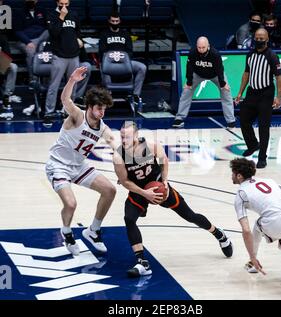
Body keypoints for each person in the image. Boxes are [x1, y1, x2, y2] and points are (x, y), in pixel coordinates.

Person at [113, 120, 233, 277]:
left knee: (190, 216)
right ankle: (142, 262)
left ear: (136, 135)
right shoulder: (118, 156)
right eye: (122, 137)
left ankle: (219, 234)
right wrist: (145, 193)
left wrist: (165, 180)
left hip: (159, 188)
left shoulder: (150, 145)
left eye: (127, 137)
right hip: (139, 191)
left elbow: (164, 161)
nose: (124, 140)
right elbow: (125, 182)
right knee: (129, 219)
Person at [45, 66, 117, 255]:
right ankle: (67, 232)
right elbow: (65, 100)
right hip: (58, 165)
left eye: (104, 109)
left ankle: (93, 230)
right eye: (99, 108)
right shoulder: (77, 116)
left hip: (78, 166)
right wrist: (72, 80)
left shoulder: (102, 128)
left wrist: (133, 157)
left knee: (110, 190)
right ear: (91, 107)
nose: (102, 112)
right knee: (71, 204)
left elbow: (114, 144)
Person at [230, 158, 281, 295]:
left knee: (257, 225)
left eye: (232, 173)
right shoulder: (268, 181)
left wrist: (252, 255)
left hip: (274, 222)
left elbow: (246, 230)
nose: (231, 176)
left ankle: (253, 262)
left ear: (239, 175)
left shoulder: (240, 194)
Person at [235, 28, 281, 169]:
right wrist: (240, 93)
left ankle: (262, 157)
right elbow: (246, 73)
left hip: (266, 94)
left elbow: (279, 76)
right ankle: (253, 145)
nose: (259, 40)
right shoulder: (250, 54)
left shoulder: (272, 56)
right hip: (251, 93)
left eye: (262, 38)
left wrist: (278, 97)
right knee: (244, 120)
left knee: (263, 127)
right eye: (257, 37)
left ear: (267, 39)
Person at [172, 36, 236, 129]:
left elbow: (220, 69)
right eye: (199, 47)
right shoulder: (193, 52)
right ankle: (179, 118)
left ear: (208, 46)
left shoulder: (215, 54)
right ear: (196, 46)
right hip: (198, 74)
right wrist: (189, 82)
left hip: (215, 75)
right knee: (186, 91)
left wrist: (223, 83)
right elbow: (189, 67)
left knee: (226, 92)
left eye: (203, 47)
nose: (201, 50)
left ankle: (231, 121)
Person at [44, 0, 81, 121]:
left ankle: (68, 111)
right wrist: (61, 17)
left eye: (66, 3)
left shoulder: (74, 14)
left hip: (74, 55)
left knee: (72, 85)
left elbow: (77, 30)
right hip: (59, 56)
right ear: (57, 2)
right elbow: (54, 32)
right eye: (61, 3)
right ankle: (49, 112)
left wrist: (79, 39)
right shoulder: (51, 15)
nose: (64, 6)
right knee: (54, 86)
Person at [98, 11, 147, 103]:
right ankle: (108, 95)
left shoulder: (125, 34)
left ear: (120, 21)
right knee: (103, 67)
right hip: (109, 63)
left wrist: (122, 59)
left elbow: (130, 51)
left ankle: (136, 95)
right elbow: (102, 52)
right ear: (109, 21)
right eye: (113, 21)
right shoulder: (104, 34)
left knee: (142, 67)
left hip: (124, 62)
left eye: (117, 21)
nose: (115, 23)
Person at [14, 0, 49, 84]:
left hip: (41, 38)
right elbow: (17, 31)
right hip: (26, 40)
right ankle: (33, 80)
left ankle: (46, 81)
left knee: (49, 33)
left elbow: (48, 26)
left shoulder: (42, 10)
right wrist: (28, 42)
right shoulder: (18, 12)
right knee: (31, 51)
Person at [0, 34, 19, 121]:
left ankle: (6, 96)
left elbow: (8, 54)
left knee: (13, 67)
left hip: (1, 62)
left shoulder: (2, 37)